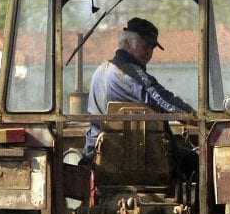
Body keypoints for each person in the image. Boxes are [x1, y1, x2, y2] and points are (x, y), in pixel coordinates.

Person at [83, 17, 194, 158]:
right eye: (145, 46)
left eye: (152, 48)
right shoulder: (132, 74)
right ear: (128, 43)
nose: (149, 52)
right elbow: (165, 102)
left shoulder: (100, 70)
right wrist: (198, 118)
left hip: (97, 153)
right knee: (195, 162)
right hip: (134, 156)